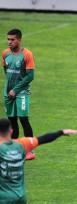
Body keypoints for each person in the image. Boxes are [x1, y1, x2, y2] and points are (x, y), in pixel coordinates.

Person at [2, 29, 36, 160]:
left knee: (23, 119)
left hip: (21, 92)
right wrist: (9, 90)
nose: (9, 42)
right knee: (12, 121)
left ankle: (29, 151)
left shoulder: (27, 54)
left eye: (12, 40)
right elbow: (7, 71)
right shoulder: (5, 54)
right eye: (8, 39)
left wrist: (15, 90)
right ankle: (14, 151)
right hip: (8, 93)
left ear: (19, 40)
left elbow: (30, 76)